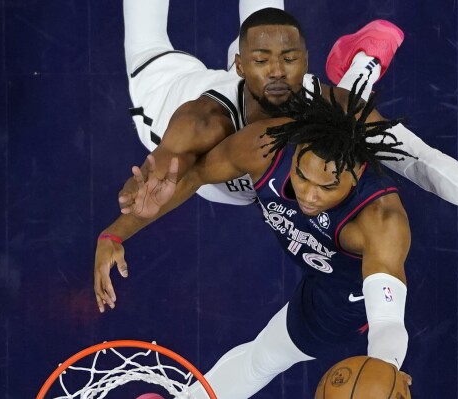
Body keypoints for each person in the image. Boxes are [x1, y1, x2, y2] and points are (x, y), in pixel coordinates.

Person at [94, 0, 458, 312]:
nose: (279, 72)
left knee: (267, 18)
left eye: (290, 58)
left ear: (306, 57)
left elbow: (415, 156)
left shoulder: (324, 100)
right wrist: (121, 226)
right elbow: (172, 177)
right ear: (237, 63)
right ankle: (364, 64)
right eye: (260, 61)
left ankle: (361, 65)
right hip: (165, 100)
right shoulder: (200, 121)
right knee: (146, 27)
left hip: (264, 152)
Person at [129, 83, 413, 399]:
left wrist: (386, 365)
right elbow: (195, 173)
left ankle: (367, 62)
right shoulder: (270, 145)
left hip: (342, 294)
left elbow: (387, 320)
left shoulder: (381, 220)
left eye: (326, 186)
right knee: (258, 359)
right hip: (314, 255)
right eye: (302, 177)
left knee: (264, 358)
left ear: (357, 174)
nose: (308, 193)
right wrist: (116, 232)